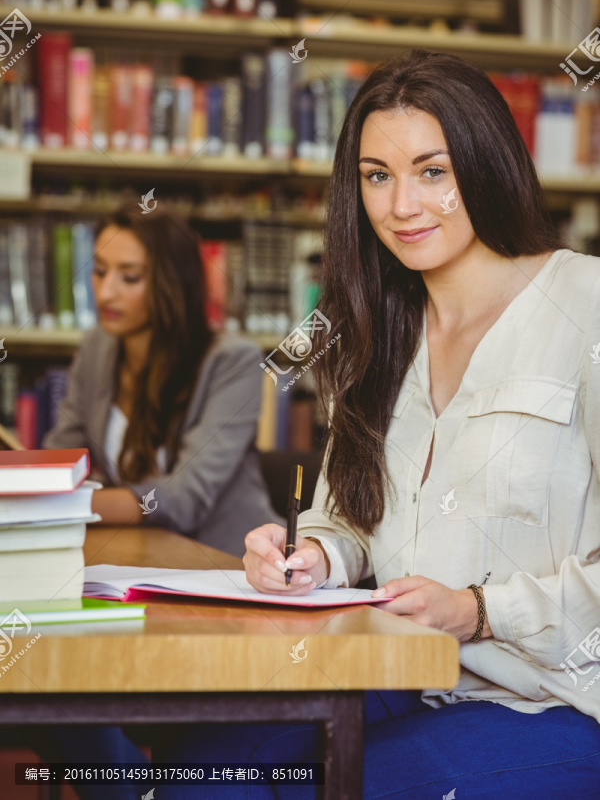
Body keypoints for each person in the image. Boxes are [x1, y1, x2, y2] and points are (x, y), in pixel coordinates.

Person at [153, 49, 600, 798]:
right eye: (377, 176)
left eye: (433, 171)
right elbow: (351, 522)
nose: (401, 206)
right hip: (391, 667)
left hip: (550, 697)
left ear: (486, 164)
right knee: (201, 775)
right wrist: (313, 559)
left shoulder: (584, 305)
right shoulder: (379, 327)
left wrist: (481, 611)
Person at [43, 204, 283, 557]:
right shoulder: (97, 348)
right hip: (135, 557)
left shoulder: (233, 360)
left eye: (130, 277)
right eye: (98, 271)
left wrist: (63, 506)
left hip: (230, 568)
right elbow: (62, 457)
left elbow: (185, 497)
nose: (106, 293)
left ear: (171, 282)